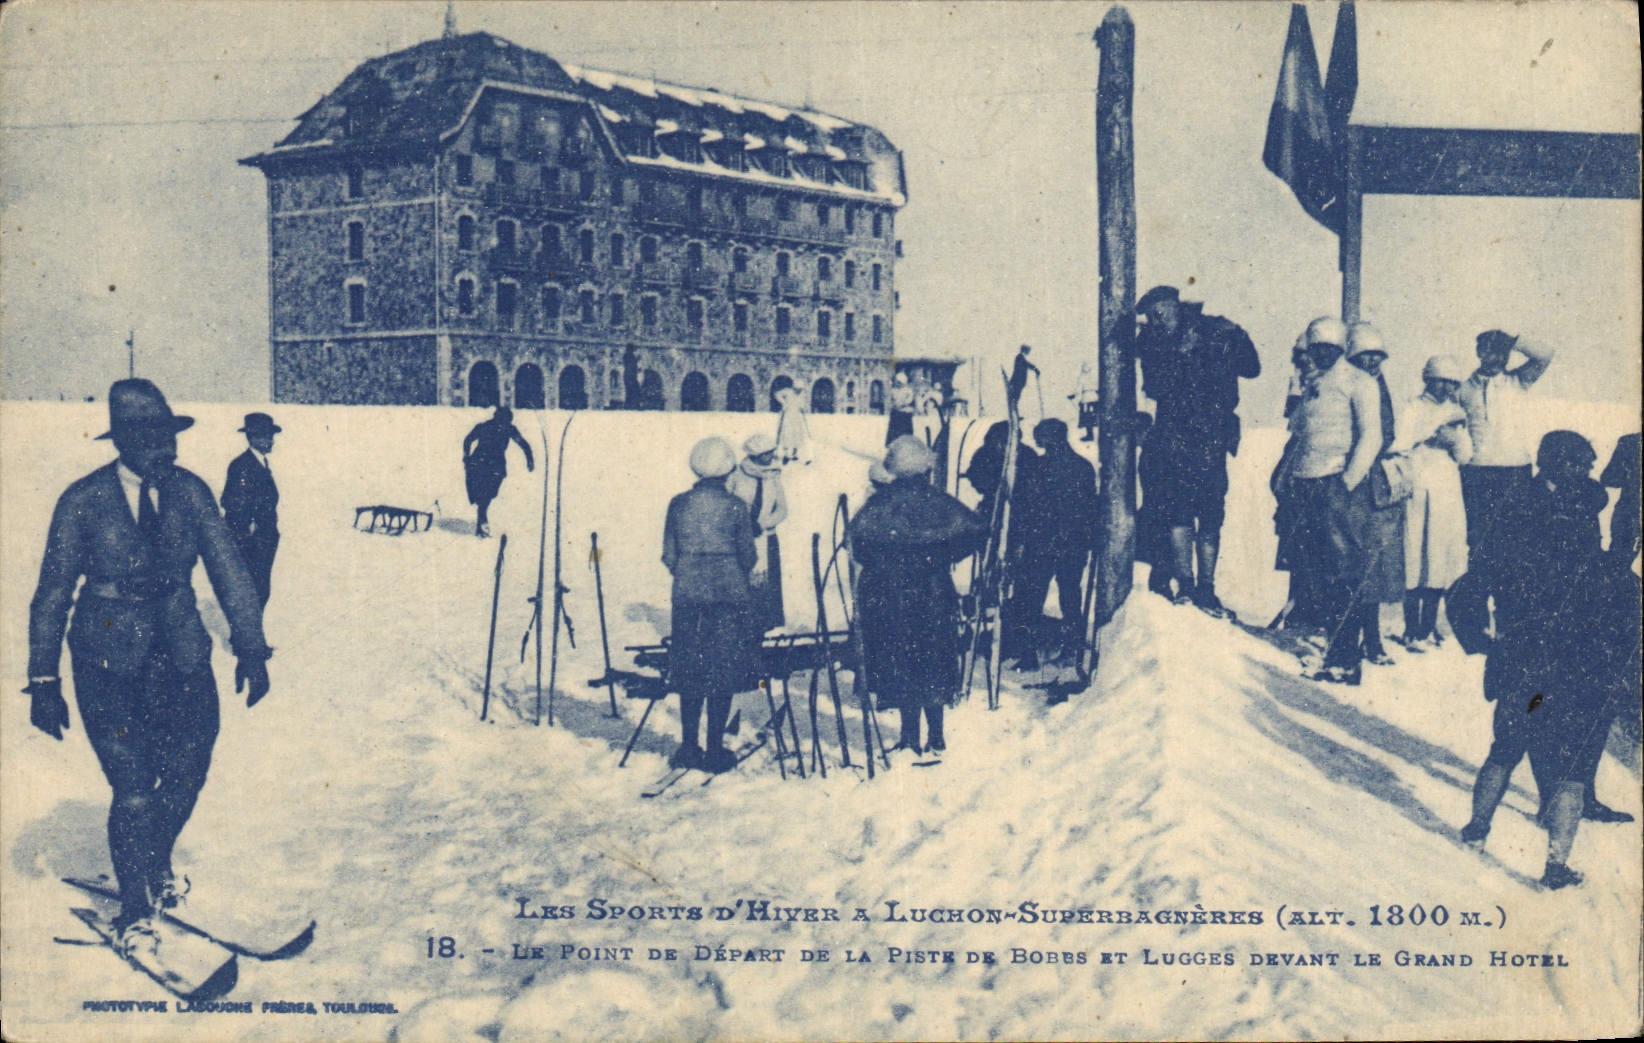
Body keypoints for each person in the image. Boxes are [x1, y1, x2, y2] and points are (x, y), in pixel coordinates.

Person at [25, 379, 272, 945]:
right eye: (155, 439)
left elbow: (229, 566)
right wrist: (43, 679)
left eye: (172, 436)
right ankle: (135, 905)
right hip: (105, 659)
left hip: (182, 652)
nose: (170, 450)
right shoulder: (82, 500)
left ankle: (150, 857)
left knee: (191, 766)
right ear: (127, 442)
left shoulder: (191, 492)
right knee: (133, 783)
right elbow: (52, 594)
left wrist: (252, 647)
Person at [1452, 432, 1633, 888]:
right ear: (1558, 465)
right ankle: (1554, 866)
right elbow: (1600, 577)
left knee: (1508, 745)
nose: (1589, 474)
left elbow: (1474, 581)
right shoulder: (1576, 513)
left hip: (1522, 653)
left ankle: (1476, 830)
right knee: (1568, 760)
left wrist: (1483, 640)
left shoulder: (1518, 506)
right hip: (1570, 657)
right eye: (1581, 465)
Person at [849, 436, 987, 754]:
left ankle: (910, 738)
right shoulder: (939, 500)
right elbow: (975, 531)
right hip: (934, 591)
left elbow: (859, 542)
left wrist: (885, 562)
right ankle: (936, 736)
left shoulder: (880, 504)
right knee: (935, 659)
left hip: (893, 593)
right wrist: (943, 555)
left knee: (903, 660)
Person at [1134, 284, 1261, 616]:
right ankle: (1186, 585)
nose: (1157, 322)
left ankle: (1207, 587)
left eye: (1160, 314)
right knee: (1177, 512)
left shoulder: (1213, 329)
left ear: (1176, 306)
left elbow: (1251, 368)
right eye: (1152, 317)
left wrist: (1239, 337)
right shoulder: (1152, 344)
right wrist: (1181, 355)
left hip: (1211, 437)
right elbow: (1157, 386)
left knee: (1210, 513)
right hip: (1174, 438)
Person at [1287, 316, 1383, 685]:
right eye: (1316, 348)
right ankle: (1332, 650)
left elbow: (1371, 437)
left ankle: (1347, 656)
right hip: (1307, 483)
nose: (1322, 354)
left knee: (1344, 571)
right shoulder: (1315, 383)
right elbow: (1300, 432)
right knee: (1319, 572)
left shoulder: (1359, 381)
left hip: (1337, 484)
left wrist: (1347, 481)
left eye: (1330, 348)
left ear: (1342, 348)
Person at [661, 438, 758, 773]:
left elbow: (669, 555)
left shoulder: (678, 504)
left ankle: (689, 747)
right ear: (728, 468)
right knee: (722, 671)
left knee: (690, 671)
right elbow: (749, 556)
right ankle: (715, 750)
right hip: (729, 598)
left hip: (688, 597)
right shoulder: (736, 507)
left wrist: (691, 572)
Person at [1456, 330, 1555, 576]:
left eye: (1503, 351)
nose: (1499, 356)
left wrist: (1515, 341)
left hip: (1515, 471)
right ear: (1479, 352)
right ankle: (1477, 609)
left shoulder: (1518, 381)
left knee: (1516, 542)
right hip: (1476, 472)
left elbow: (1545, 355)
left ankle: (1507, 610)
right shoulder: (1462, 389)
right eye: (1491, 349)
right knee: (1478, 542)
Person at [1390, 356, 1472, 649]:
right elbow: (1399, 443)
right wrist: (1433, 434)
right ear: (1428, 379)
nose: (1445, 387)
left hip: (1447, 488)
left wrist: (1454, 440)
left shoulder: (1456, 411)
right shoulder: (1414, 408)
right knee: (1415, 556)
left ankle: (1427, 627)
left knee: (1438, 557)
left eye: (1451, 382)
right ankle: (1411, 627)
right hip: (1419, 485)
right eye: (1440, 380)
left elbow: (1465, 454)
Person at [1343, 323, 1405, 665]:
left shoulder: (1379, 385)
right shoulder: (1348, 384)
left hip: (1374, 484)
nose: (1371, 361)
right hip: (1350, 480)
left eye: (1376, 356)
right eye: (1364, 355)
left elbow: (1387, 431)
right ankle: (1350, 637)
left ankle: (1373, 637)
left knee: (1374, 564)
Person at [1013, 419, 1100, 655]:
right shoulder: (1083, 467)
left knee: (1034, 596)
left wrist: (1022, 539)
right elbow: (1091, 507)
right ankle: (1073, 646)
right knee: (1070, 594)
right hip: (1072, 542)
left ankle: (1029, 651)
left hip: (1044, 542)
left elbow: (1028, 507)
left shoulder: (1038, 468)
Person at [726, 432, 788, 636]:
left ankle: (760, 630)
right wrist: (743, 526)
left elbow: (782, 509)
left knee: (764, 588)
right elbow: (727, 506)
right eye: (765, 454)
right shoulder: (737, 474)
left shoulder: (774, 475)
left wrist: (763, 524)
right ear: (754, 455)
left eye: (771, 452)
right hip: (741, 540)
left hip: (766, 539)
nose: (770, 457)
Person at [221, 412, 282, 606]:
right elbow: (232, 502)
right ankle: (244, 635)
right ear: (253, 437)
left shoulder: (259, 463)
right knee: (253, 592)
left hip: (263, 539)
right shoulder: (243, 465)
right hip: (252, 542)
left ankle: (247, 634)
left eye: (271, 435)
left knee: (259, 591)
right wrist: (248, 531)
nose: (271, 441)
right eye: (266, 436)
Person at [462, 406, 534, 537]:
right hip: (485, 464)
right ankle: (482, 524)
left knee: (486, 495)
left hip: (487, 464)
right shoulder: (489, 427)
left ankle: (481, 520)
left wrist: (530, 460)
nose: (504, 424)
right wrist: (530, 460)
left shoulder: (504, 428)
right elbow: (468, 440)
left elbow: (523, 444)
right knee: (485, 496)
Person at [1600, 432, 1641, 567]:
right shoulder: (1630, 442)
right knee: (1619, 565)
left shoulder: (1630, 442)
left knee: (1619, 566)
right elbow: (1609, 478)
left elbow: (1610, 479)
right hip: (1629, 514)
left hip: (1629, 512)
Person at [774, 386, 812, 466]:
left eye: (800, 390)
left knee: (797, 435)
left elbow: (802, 405)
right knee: (787, 435)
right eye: (797, 389)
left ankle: (795, 454)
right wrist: (784, 402)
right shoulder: (787, 391)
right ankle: (786, 455)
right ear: (794, 388)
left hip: (797, 418)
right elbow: (777, 394)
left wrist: (802, 408)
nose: (799, 391)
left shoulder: (801, 394)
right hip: (787, 417)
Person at [1005, 345, 1040, 413]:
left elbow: (1027, 364)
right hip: (1018, 381)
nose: (1028, 352)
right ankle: (1013, 408)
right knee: (1016, 396)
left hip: (1019, 381)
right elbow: (1026, 364)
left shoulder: (1020, 357)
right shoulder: (1019, 357)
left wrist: (1035, 369)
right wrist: (1035, 369)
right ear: (1024, 350)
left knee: (1016, 396)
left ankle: (1014, 408)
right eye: (1028, 351)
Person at [886, 372, 916, 445]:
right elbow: (890, 400)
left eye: (899, 382)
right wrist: (893, 405)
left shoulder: (908, 390)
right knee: (894, 431)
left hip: (905, 413)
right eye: (897, 381)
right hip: (896, 413)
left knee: (905, 432)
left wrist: (903, 404)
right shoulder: (894, 390)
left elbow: (910, 400)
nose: (898, 383)